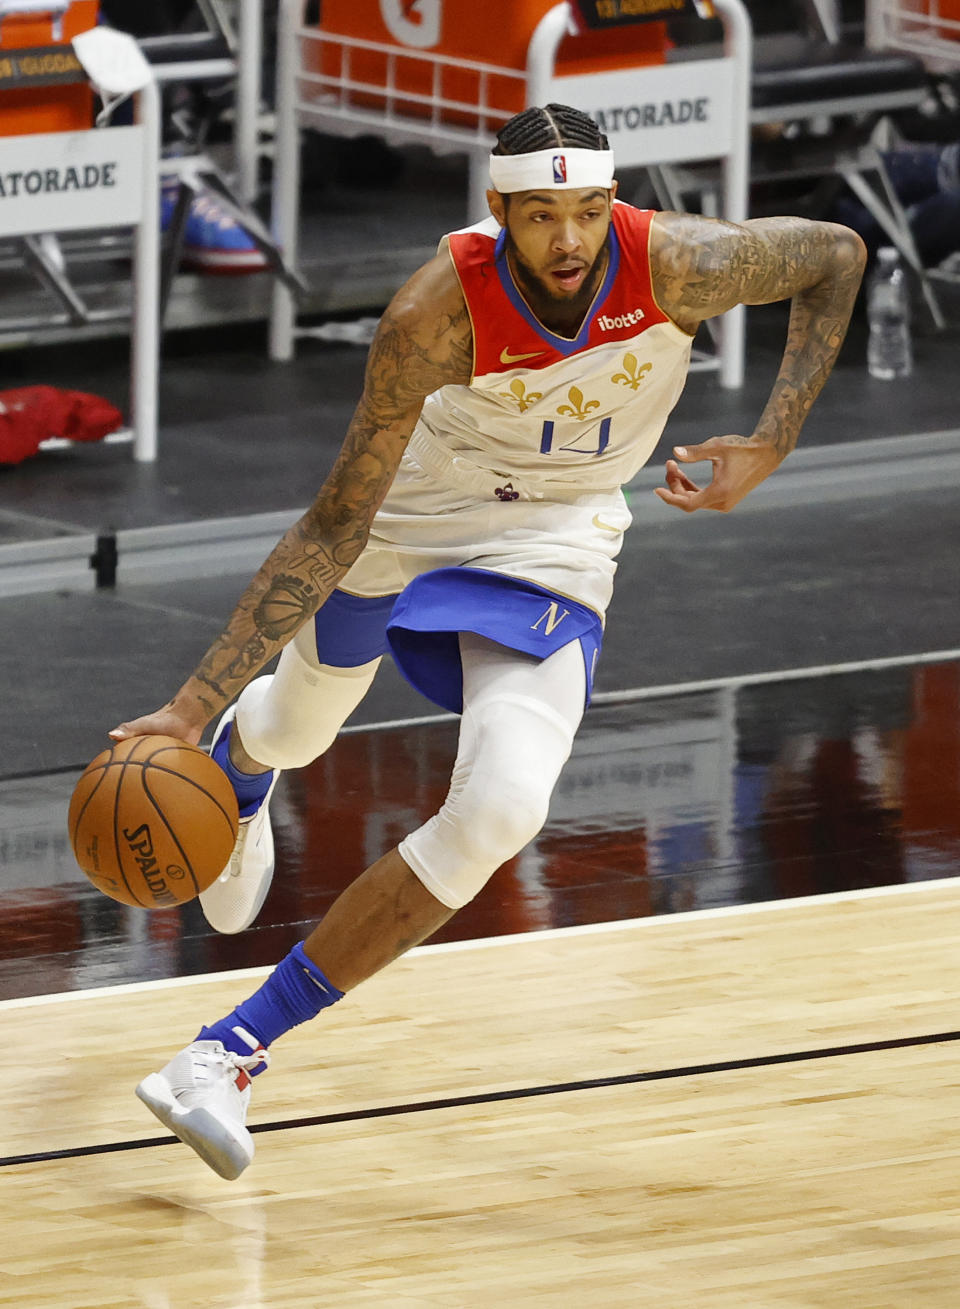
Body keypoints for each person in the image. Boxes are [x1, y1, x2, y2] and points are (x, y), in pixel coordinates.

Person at [112, 103, 866, 1180]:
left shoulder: (681, 265)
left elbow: (837, 256)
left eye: (591, 211)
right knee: (300, 723)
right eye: (544, 214)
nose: (570, 240)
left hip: (557, 533)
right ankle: (240, 759)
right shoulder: (434, 317)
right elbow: (333, 521)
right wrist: (188, 706)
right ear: (498, 209)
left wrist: (772, 441)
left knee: (507, 806)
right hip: (417, 515)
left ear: (617, 204)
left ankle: (224, 1055)